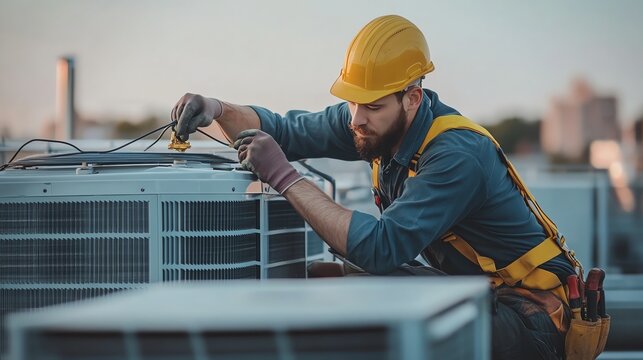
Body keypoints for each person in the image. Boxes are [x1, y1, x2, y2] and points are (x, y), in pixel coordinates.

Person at [171, 15, 583, 360]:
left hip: (535, 319)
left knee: (371, 316)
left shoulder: (457, 155)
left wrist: (283, 176)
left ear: (413, 98)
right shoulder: (370, 120)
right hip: (480, 292)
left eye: (371, 105)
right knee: (323, 279)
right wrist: (217, 109)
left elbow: (380, 249)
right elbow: (282, 131)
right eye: (352, 101)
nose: (356, 118)